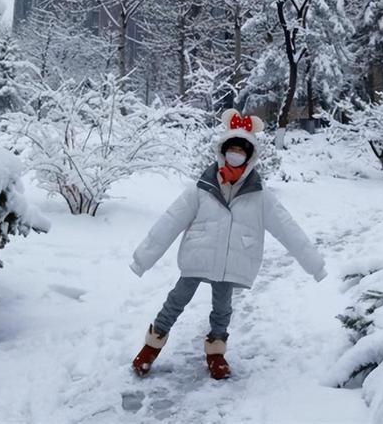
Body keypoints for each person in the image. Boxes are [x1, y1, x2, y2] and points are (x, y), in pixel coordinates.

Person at [129, 108, 328, 380]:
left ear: (249, 156)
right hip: (197, 257)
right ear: (222, 151)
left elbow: (288, 229)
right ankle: (151, 348)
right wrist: (142, 258)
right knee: (176, 301)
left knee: (222, 308)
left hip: (230, 263)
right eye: (231, 149)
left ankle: (216, 352)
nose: (235, 155)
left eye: (241, 151)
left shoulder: (260, 195)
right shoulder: (201, 187)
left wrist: (314, 265)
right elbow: (170, 221)